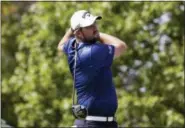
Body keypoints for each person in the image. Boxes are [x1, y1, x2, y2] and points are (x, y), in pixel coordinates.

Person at [57, 10, 127, 128]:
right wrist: (98, 35)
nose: (95, 28)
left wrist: (72, 30)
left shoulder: (73, 46)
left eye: (95, 24)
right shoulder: (91, 52)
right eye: (89, 26)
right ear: (79, 33)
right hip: (93, 124)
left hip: (96, 123)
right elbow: (121, 46)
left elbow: (60, 45)